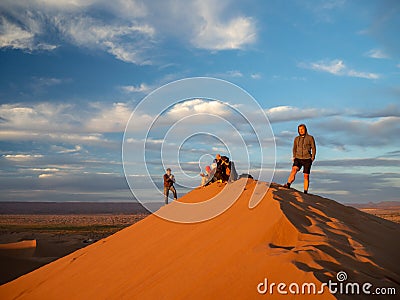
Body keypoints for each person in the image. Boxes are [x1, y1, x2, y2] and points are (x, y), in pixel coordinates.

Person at [283, 124, 316, 194]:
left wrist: (313, 157)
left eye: (302, 129)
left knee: (306, 176)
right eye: (299, 130)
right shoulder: (296, 139)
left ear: (305, 129)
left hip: (307, 159)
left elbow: (313, 148)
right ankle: (288, 184)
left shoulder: (310, 138)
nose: (301, 131)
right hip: (298, 158)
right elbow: (294, 148)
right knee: (294, 169)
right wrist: (294, 156)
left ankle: (305, 192)